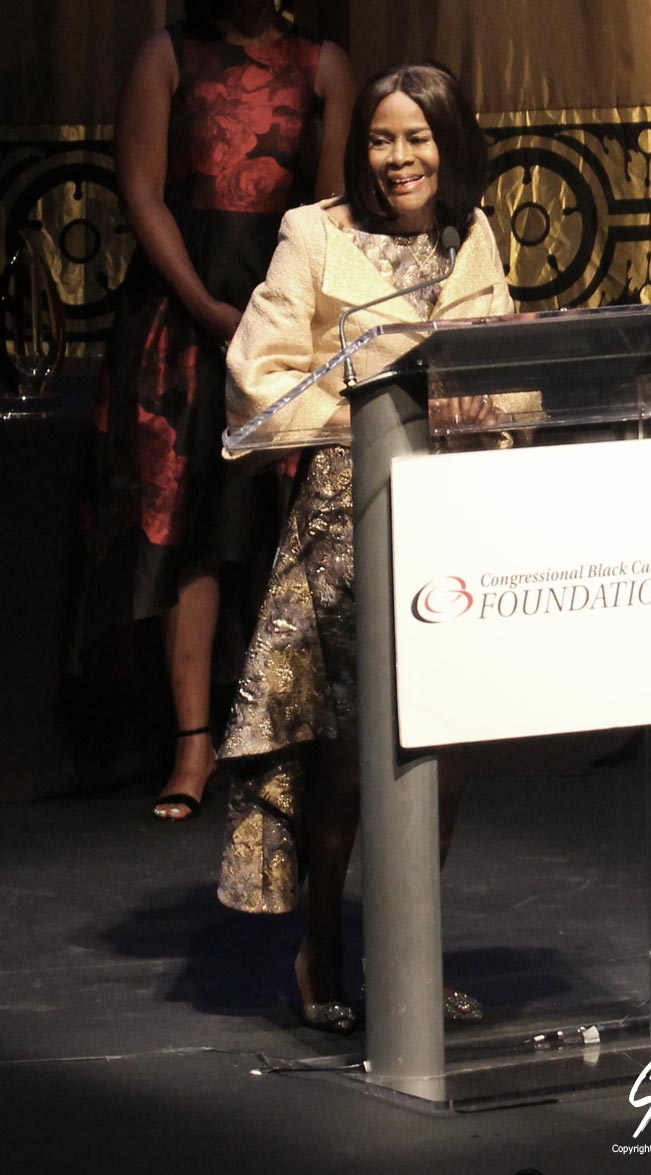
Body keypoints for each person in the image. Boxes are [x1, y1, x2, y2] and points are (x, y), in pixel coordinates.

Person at [217, 62, 522, 1033]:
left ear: (450, 144)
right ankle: (323, 940)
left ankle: (411, 950)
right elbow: (256, 385)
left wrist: (493, 411)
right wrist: (369, 411)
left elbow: (508, 378)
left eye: (419, 137)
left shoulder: (470, 235)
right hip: (348, 521)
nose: (401, 158)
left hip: (450, 514)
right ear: (363, 147)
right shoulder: (314, 233)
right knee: (351, 758)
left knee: (443, 752)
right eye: (384, 139)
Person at [83, 0, 356, 820]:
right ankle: (193, 741)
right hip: (180, 317)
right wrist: (204, 305)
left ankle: (284, 737)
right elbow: (141, 192)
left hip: (283, 319)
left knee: (282, 526)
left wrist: (281, 314)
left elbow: (329, 208)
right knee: (187, 530)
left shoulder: (323, 65)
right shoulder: (166, 55)